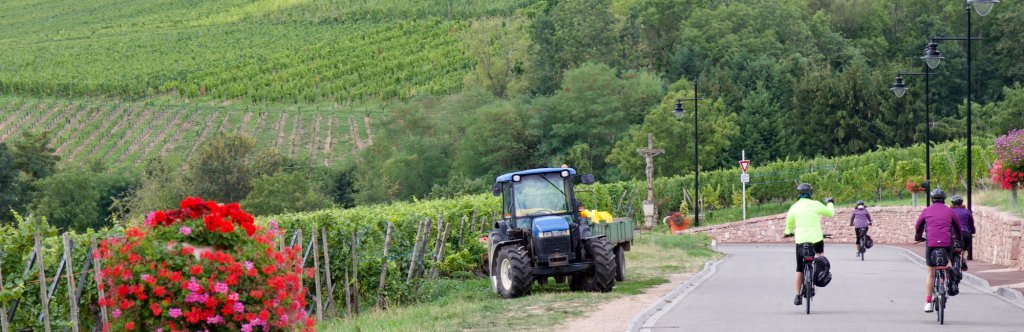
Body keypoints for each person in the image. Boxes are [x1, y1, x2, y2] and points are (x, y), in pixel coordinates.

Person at [784, 183, 835, 306]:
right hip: (816, 238)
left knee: (799, 268)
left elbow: (789, 223)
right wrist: (830, 202)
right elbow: (830, 213)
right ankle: (819, 273)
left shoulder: (794, 207)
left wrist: (787, 232)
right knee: (820, 255)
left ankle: (797, 296)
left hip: (801, 240)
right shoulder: (816, 204)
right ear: (810, 193)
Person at [914, 189, 962, 313]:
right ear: (944, 199)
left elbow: (918, 226)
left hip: (931, 242)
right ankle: (951, 282)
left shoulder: (926, 211)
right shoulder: (949, 211)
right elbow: (957, 227)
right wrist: (958, 239)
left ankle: (928, 302)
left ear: (932, 199)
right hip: (947, 243)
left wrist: (918, 237)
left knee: (930, 272)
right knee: (948, 263)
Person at [950, 195, 975, 267]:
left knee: (950, 247)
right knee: (966, 247)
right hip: (965, 233)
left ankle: (951, 260)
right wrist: (972, 231)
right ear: (961, 203)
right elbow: (971, 224)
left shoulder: (950, 211)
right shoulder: (967, 212)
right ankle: (964, 258)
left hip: (953, 233)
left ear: (952, 203)